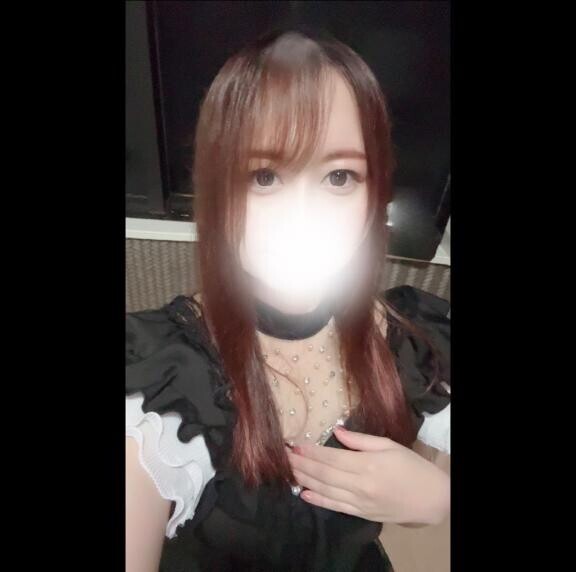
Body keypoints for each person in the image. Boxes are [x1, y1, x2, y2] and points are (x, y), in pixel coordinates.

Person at [126, 29, 451, 572]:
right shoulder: (161, 377)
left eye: (339, 176)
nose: (304, 216)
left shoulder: (413, 337)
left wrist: (437, 500)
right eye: (265, 176)